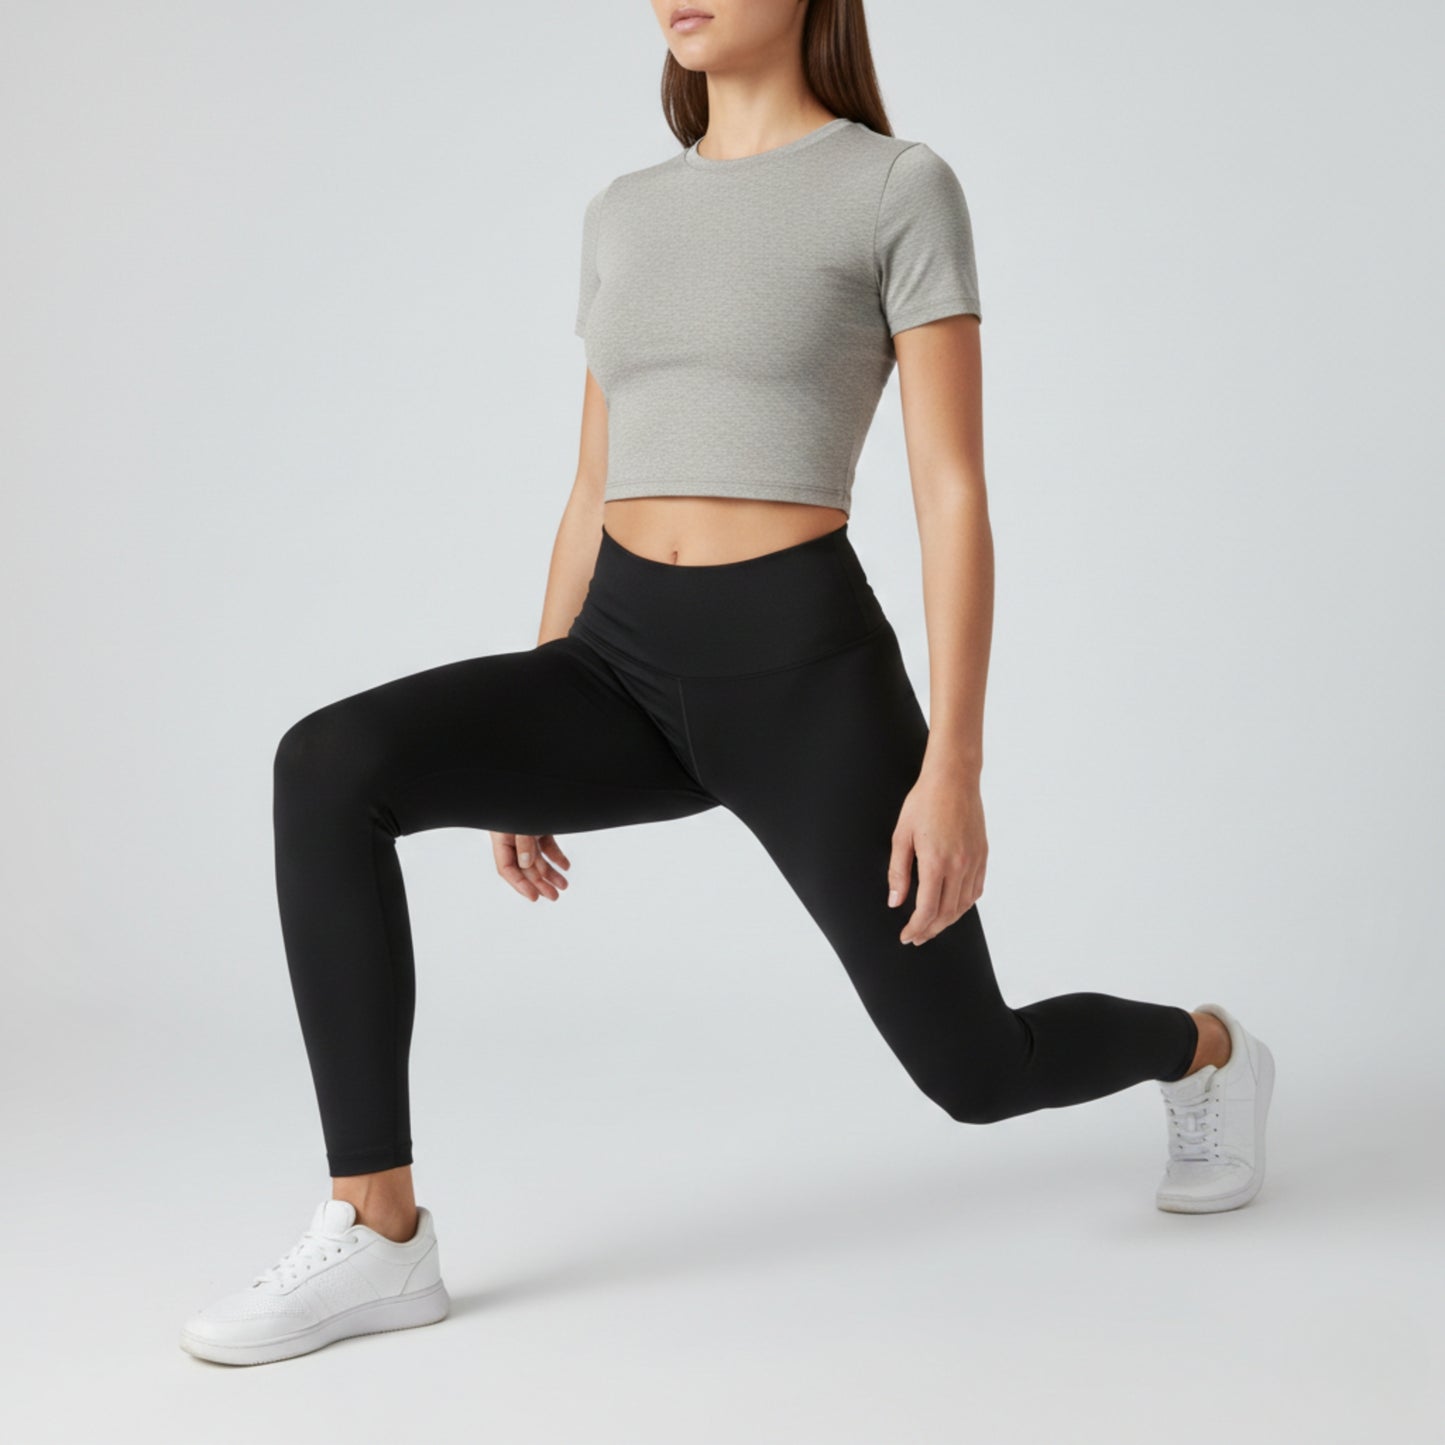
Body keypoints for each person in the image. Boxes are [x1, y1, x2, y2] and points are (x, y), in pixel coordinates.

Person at [180, 0, 1275, 1367]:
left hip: (802, 680)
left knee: (977, 1074)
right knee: (327, 763)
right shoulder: (623, 210)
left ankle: (1207, 1048)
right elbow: (593, 479)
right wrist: (532, 717)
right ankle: (381, 1231)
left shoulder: (894, 187)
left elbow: (951, 493)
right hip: (616, 661)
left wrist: (955, 765)